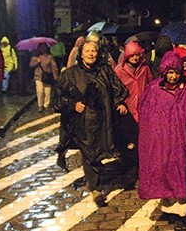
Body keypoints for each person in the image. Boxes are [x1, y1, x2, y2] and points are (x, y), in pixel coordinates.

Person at [137, 50, 186, 231]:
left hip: (182, 140)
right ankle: (168, 208)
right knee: (164, 173)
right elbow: (145, 114)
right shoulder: (154, 89)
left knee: (181, 174)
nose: (173, 76)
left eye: (176, 73)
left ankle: (181, 214)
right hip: (162, 141)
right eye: (170, 72)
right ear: (164, 72)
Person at [54, 40, 129, 207]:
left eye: (93, 51)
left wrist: (119, 103)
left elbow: (118, 89)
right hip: (83, 123)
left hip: (105, 121)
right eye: (87, 51)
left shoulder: (105, 71)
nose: (91, 54)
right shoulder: (70, 74)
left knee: (103, 150)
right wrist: (72, 105)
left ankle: (98, 178)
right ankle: (95, 187)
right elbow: (58, 99)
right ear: (81, 54)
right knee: (89, 153)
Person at [113, 41, 152, 180]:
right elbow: (114, 90)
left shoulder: (145, 68)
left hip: (143, 109)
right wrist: (119, 103)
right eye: (133, 55)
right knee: (129, 141)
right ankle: (130, 168)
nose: (135, 58)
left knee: (143, 140)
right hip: (127, 111)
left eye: (138, 55)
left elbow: (150, 84)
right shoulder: (119, 70)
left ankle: (142, 167)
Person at [29, 42, 59, 113]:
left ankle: (46, 105)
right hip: (38, 76)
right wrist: (37, 62)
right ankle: (40, 105)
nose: (42, 49)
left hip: (47, 76)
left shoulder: (50, 56)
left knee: (47, 92)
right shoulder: (35, 56)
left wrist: (55, 76)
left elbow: (54, 66)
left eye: (44, 47)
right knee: (40, 91)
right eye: (41, 47)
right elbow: (31, 65)